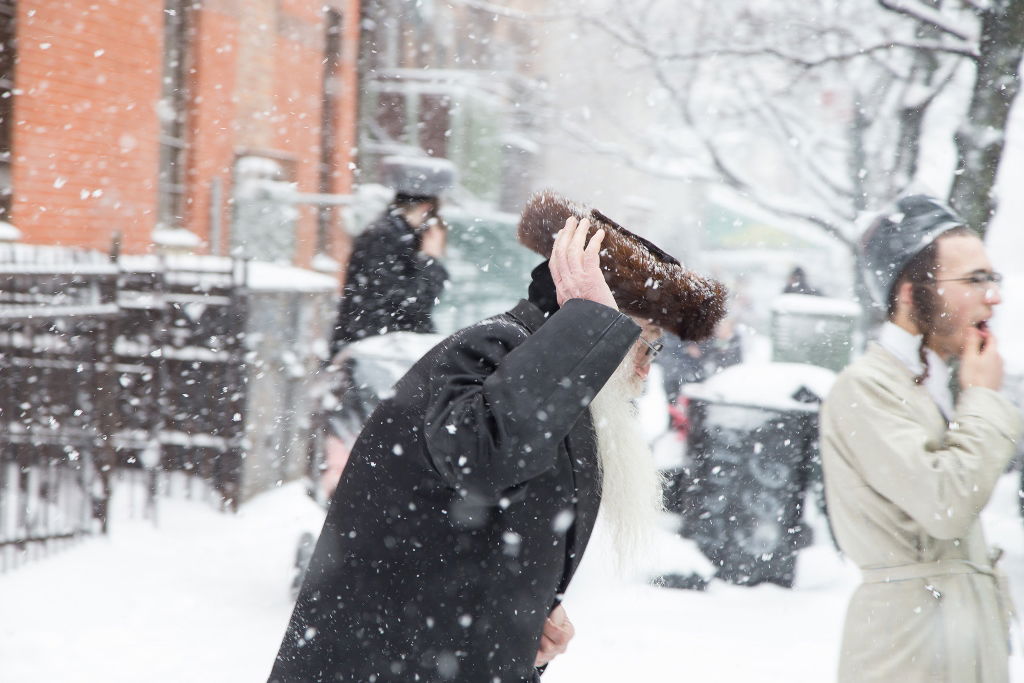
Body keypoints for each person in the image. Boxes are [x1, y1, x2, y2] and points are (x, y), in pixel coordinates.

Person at [269, 191, 727, 682]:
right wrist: (589, 327)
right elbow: (483, 460)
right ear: (581, 309)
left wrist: (524, 620)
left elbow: (485, 535)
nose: (643, 364)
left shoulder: (551, 380)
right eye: (644, 338)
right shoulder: (492, 349)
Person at [820, 194, 1022, 683]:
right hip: (907, 656)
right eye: (974, 280)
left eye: (992, 278)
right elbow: (946, 504)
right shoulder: (865, 387)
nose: (992, 296)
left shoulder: (935, 384)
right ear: (911, 294)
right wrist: (982, 399)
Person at [330, 156, 457, 357]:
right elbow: (410, 304)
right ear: (427, 208)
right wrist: (430, 259)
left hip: (375, 349)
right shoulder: (387, 238)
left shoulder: (395, 235)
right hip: (376, 354)